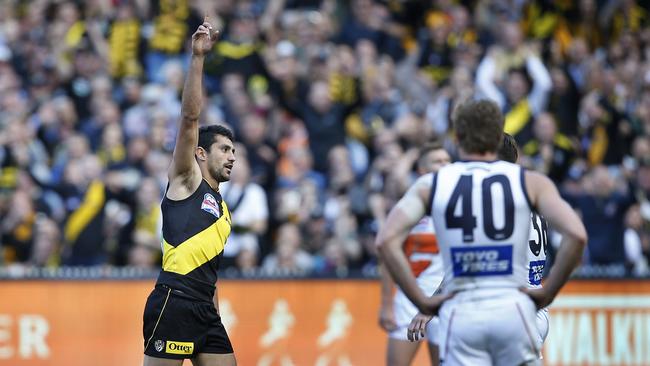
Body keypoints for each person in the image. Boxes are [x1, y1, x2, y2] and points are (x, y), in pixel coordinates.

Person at [376, 99, 586, 365]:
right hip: (519, 310)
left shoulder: (437, 183)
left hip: (466, 312)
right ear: (497, 133)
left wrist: (423, 302)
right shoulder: (532, 184)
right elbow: (577, 236)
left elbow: (385, 240)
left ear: (458, 137)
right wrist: (548, 291)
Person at [142, 18, 237, 366]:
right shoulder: (186, 179)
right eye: (224, 149)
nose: (231, 157)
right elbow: (189, 118)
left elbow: (211, 269)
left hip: (204, 309)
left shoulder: (224, 209)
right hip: (174, 299)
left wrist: (214, 310)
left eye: (233, 152)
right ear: (201, 153)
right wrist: (197, 58)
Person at [407, 133, 551, 357]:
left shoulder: (494, 199)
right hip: (535, 308)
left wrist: (431, 305)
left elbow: (471, 258)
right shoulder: (532, 194)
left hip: (506, 309)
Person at [378, 142, 450, 366]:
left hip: (443, 298)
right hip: (410, 298)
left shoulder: (460, 205)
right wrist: (387, 303)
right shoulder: (409, 207)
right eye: (438, 161)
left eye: (448, 161)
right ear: (422, 170)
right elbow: (387, 252)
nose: (445, 166)